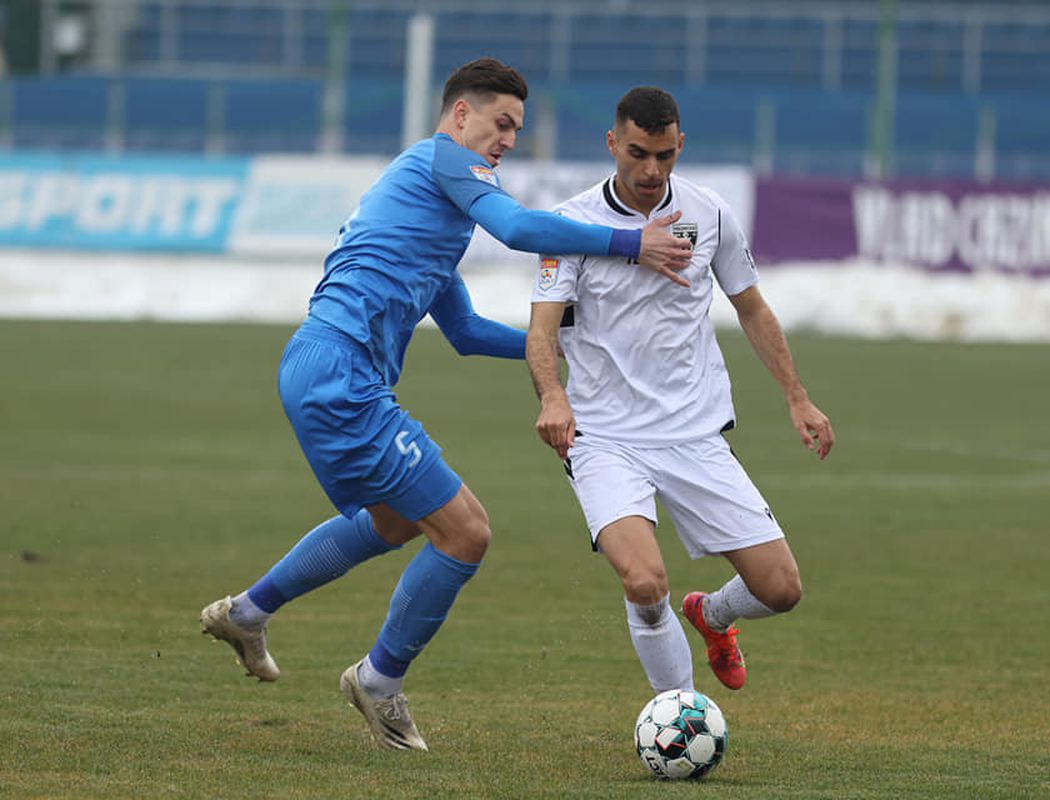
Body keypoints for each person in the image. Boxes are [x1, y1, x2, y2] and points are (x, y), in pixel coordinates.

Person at [200, 59, 693, 752]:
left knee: (394, 519)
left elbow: (462, 333)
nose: (508, 141)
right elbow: (519, 230)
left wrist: (564, 344)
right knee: (466, 533)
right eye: (502, 123)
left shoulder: (429, 209)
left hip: (319, 366)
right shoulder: (444, 162)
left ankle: (249, 612)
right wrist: (629, 243)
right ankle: (377, 682)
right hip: (341, 372)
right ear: (461, 115)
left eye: (517, 130)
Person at [526, 87, 834, 696]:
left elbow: (752, 308)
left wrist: (797, 396)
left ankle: (712, 615)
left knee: (781, 589)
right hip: (603, 438)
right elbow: (540, 330)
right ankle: (681, 714)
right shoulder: (569, 225)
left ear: (680, 145)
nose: (652, 170)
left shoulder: (710, 212)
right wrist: (552, 397)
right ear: (612, 143)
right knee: (644, 582)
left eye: (665, 155)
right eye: (638, 153)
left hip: (694, 433)